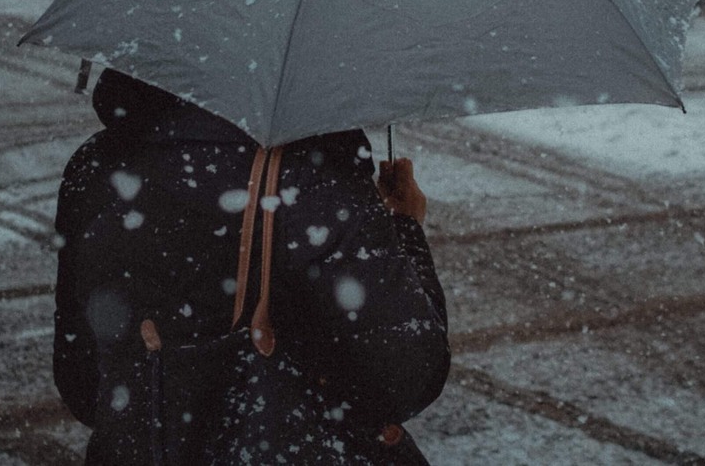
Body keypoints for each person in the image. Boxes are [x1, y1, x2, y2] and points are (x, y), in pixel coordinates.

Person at [53, 68, 450, 464]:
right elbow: (405, 378)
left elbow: (85, 385)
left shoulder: (95, 166)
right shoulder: (315, 175)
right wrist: (404, 226)